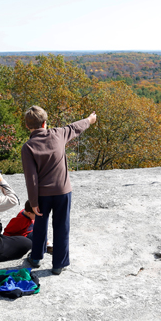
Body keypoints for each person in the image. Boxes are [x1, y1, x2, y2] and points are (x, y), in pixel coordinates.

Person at [21, 106, 96, 275]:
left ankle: (36, 258)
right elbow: (76, 127)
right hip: (63, 192)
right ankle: (58, 265)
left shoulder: (28, 147)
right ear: (45, 123)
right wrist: (90, 120)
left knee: (40, 224)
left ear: (27, 126)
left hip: (42, 195)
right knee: (62, 226)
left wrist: (33, 202)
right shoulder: (59, 134)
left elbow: (31, 179)